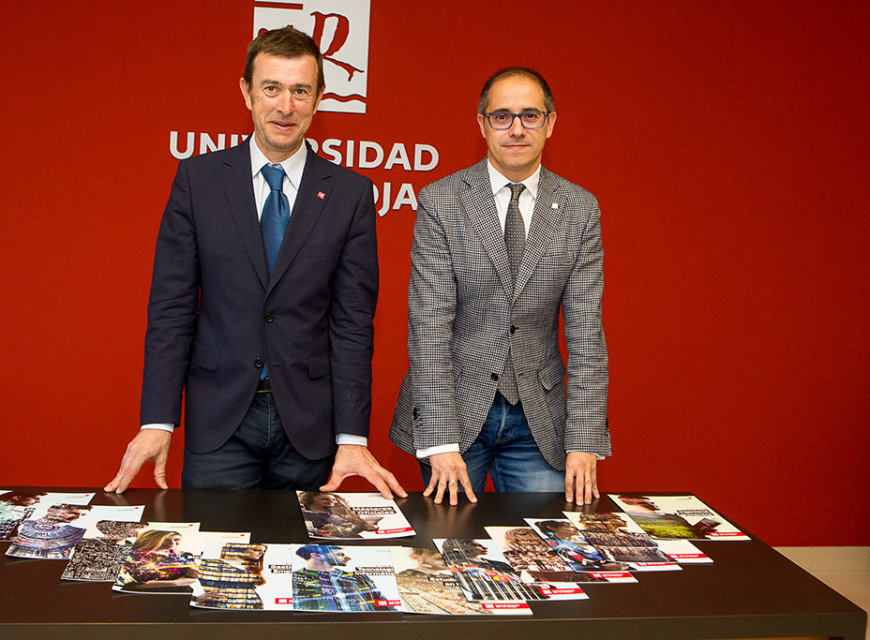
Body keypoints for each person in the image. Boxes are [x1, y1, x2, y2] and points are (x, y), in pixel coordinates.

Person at [104, 27, 404, 499]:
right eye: (272, 88)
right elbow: (171, 309)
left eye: (300, 91)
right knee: (210, 565)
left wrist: (351, 437)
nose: (285, 106)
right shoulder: (198, 180)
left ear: (319, 99)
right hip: (219, 422)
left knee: (307, 568)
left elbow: (352, 323)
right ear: (246, 92)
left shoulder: (350, 193)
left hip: (309, 429)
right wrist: (158, 420)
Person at [390, 66, 610, 506]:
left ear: (551, 122)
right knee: (450, 550)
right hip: (453, 409)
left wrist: (585, 437)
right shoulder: (441, 201)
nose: (516, 129)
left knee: (545, 553)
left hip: (538, 419)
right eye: (502, 116)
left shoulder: (579, 209)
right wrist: (439, 441)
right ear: (482, 124)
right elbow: (429, 325)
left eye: (530, 115)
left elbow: (587, 332)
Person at [292, 545, 386, 611]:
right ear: (317, 555)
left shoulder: (359, 578)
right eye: (340, 554)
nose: (348, 558)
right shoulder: (293, 578)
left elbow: (384, 606)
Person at [115, 530, 197, 591]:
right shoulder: (133, 556)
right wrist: (176, 583)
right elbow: (129, 583)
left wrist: (191, 573)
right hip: (141, 596)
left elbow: (193, 577)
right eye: (166, 539)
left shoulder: (182, 556)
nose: (172, 543)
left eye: (176, 539)